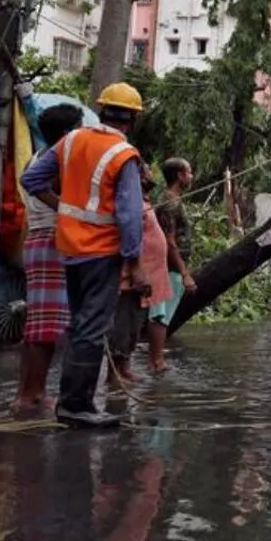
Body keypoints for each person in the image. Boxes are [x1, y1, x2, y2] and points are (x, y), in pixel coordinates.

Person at [21, 82, 148, 428]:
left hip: (69, 250)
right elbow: (129, 214)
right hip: (102, 253)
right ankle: (77, 406)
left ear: (102, 110)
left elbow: (31, 179)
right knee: (91, 329)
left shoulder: (71, 141)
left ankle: (70, 403)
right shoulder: (123, 155)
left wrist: (62, 208)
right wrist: (135, 262)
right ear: (132, 119)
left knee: (80, 327)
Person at [11, 103, 84, 416]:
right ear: (68, 134)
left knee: (39, 322)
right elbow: (44, 190)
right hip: (51, 242)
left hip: (39, 242)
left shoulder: (38, 158)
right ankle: (30, 394)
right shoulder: (56, 161)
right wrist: (68, 209)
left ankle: (32, 391)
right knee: (45, 327)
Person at [108, 162, 172, 385]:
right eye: (146, 171)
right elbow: (129, 234)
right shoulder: (131, 203)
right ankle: (115, 373)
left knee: (134, 323)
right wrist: (136, 269)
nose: (151, 174)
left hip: (147, 276)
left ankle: (124, 369)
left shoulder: (143, 202)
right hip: (134, 275)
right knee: (124, 323)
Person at [150, 157, 195, 371]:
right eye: (189, 172)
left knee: (163, 313)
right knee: (161, 313)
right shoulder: (170, 202)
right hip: (169, 266)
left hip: (174, 265)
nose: (191, 176)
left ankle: (157, 359)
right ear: (179, 175)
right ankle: (157, 361)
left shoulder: (173, 199)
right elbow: (169, 240)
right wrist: (185, 273)